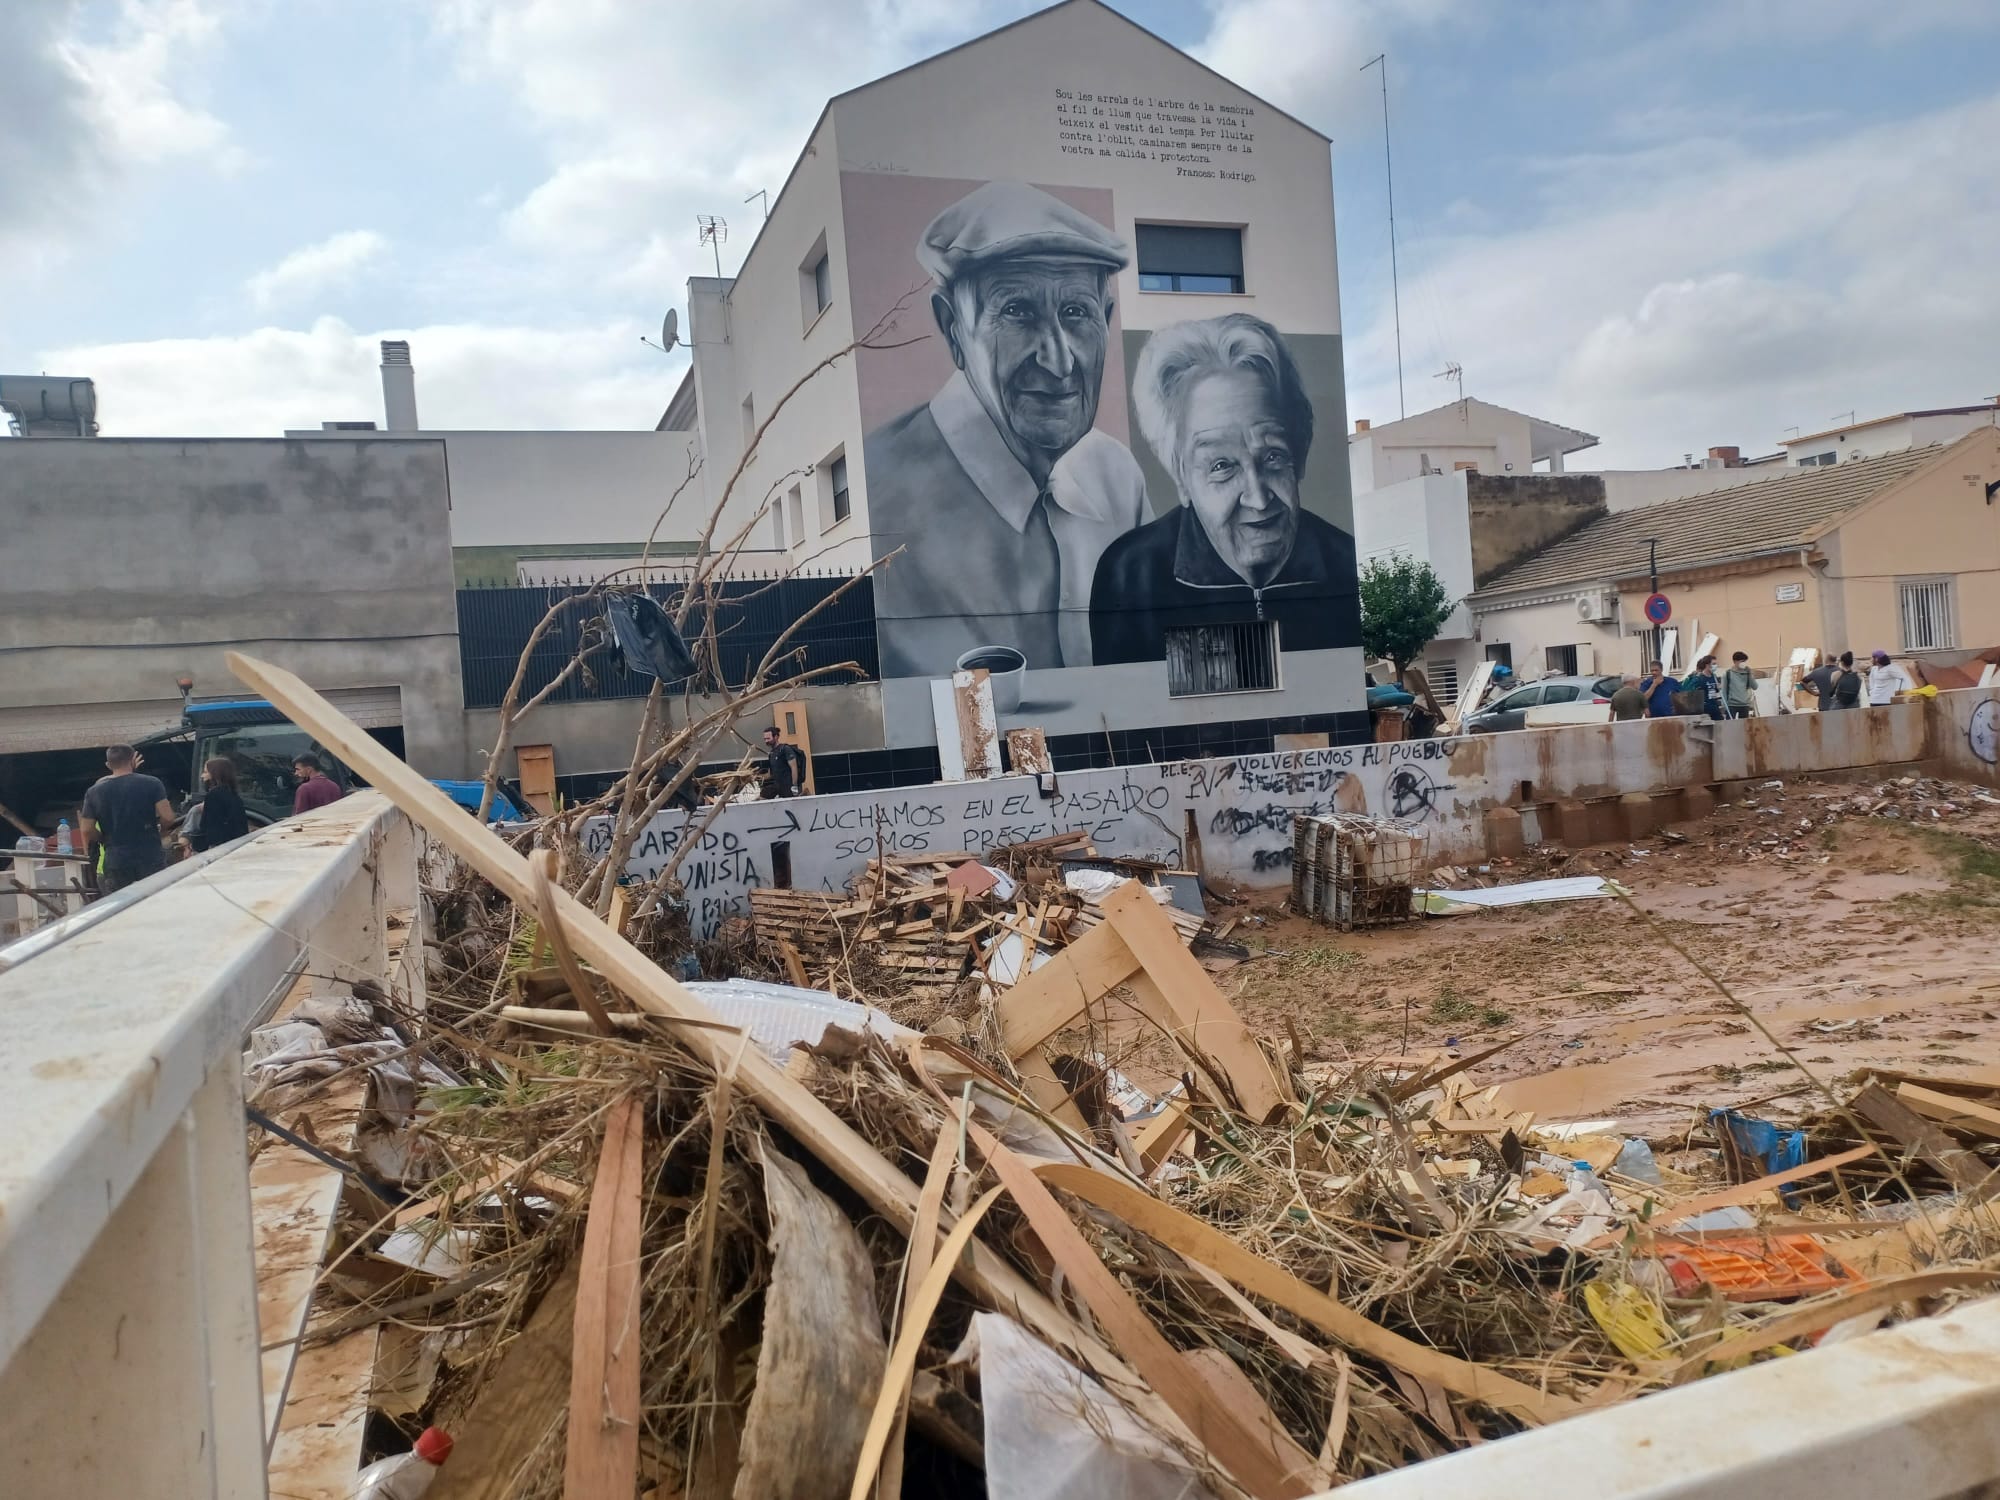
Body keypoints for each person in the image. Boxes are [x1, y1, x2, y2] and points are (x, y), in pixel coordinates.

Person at [865, 181, 1147, 677]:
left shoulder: (1117, 475)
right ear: (952, 327)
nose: (1059, 362)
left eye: (1077, 313)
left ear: (1106, 320)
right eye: (1017, 312)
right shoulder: (878, 488)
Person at [1090, 312, 1359, 663]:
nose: (1258, 498)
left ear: (1300, 455)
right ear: (1181, 479)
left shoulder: (1343, 564)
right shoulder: (1130, 576)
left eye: (1273, 457)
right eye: (1222, 466)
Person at [80, 743, 177, 892]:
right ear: (132, 759)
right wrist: (162, 831)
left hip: (116, 858)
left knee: (123, 905)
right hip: (150, 854)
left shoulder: (94, 791)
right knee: (156, 899)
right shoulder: (152, 783)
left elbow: (86, 829)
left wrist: (104, 839)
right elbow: (168, 817)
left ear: (108, 764)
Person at [187, 757, 250, 852]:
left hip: (218, 846)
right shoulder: (233, 794)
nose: (202, 776)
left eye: (205, 772)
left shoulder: (213, 795)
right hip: (236, 843)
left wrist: (196, 846)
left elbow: (208, 825)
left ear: (214, 773)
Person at [762, 726, 807, 798]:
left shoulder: (785, 749)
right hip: (778, 788)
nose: (766, 741)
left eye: (768, 738)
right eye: (765, 739)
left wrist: (794, 786)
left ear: (776, 737)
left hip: (788, 787)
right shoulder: (771, 754)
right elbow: (770, 774)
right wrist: (756, 778)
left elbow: (794, 768)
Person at [1684, 655, 1725, 720]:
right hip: (1705, 709)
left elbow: (1715, 690)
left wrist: (1718, 688)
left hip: (1714, 706)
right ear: (1707, 665)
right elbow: (1691, 691)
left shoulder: (1714, 677)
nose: (1715, 666)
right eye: (1713, 664)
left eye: (1716, 664)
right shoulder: (1700, 678)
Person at [1722, 651, 1758, 719]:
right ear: (1735, 661)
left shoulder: (1747, 673)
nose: (1743, 663)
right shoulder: (1728, 674)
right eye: (1742, 661)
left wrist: (1750, 673)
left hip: (1744, 705)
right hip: (1731, 705)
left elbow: (1755, 687)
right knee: (1730, 726)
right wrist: (1725, 705)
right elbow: (1724, 690)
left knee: (1743, 727)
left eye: (1745, 661)